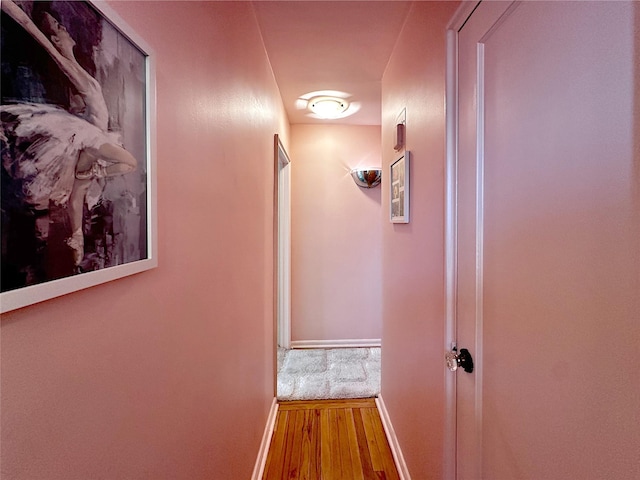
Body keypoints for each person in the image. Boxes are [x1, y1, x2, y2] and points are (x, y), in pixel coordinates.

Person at [1, 0, 137, 268]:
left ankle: (76, 249)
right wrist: (14, 12)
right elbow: (44, 45)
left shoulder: (77, 70)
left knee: (78, 199)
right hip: (88, 138)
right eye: (58, 27)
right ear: (57, 39)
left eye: (61, 25)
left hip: (86, 143)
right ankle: (75, 246)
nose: (64, 29)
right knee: (125, 164)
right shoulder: (70, 68)